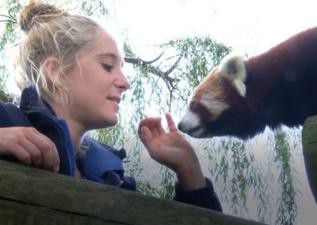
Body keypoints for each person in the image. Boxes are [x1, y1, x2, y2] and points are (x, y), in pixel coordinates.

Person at [0, 0, 222, 211]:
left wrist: (189, 169)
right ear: (55, 72)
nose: (126, 83)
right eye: (108, 66)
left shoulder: (113, 179)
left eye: (122, 68)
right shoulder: (6, 124)